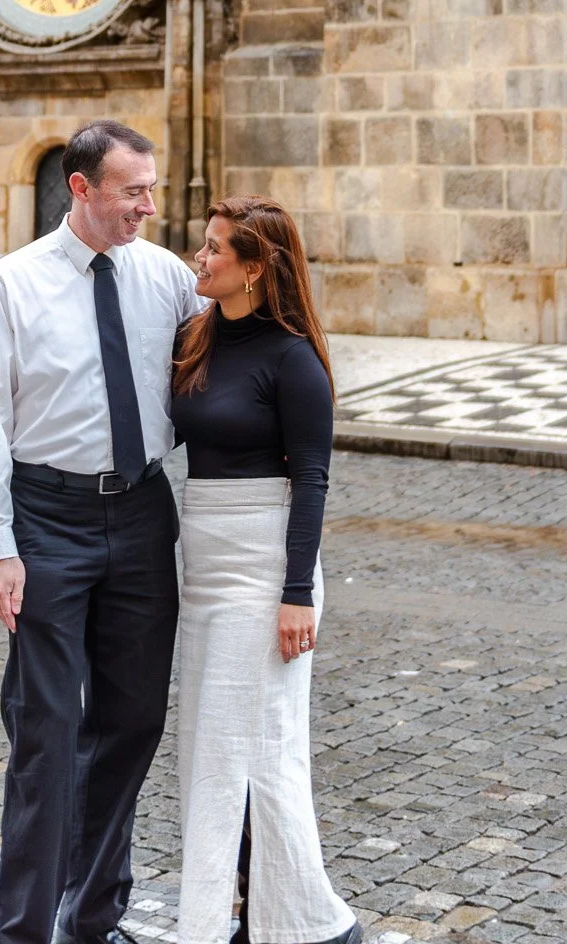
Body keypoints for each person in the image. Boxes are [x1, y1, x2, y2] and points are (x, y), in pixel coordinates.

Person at [0, 120, 202, 944]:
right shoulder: (13, 283)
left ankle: (92, 917)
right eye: (132, 191)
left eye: (151, 189)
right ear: (81, 188)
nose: (147, 205)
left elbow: (220, 355)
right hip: (47, 520)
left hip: (140, 513)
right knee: (46, 732)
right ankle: (23, 932)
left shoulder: (167, 276)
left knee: (133, 721)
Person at [171, 197, 359, 944]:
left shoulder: (292, 359)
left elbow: (310, 480)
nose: (201, 257)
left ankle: (306, 924)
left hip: (264, 566)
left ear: (255, 268)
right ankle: (266, 917)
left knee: (263, 749)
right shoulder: (194, 337)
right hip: (203, 562)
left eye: (216, 249)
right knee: (210, 750)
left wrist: (294, 597)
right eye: (204, 244)